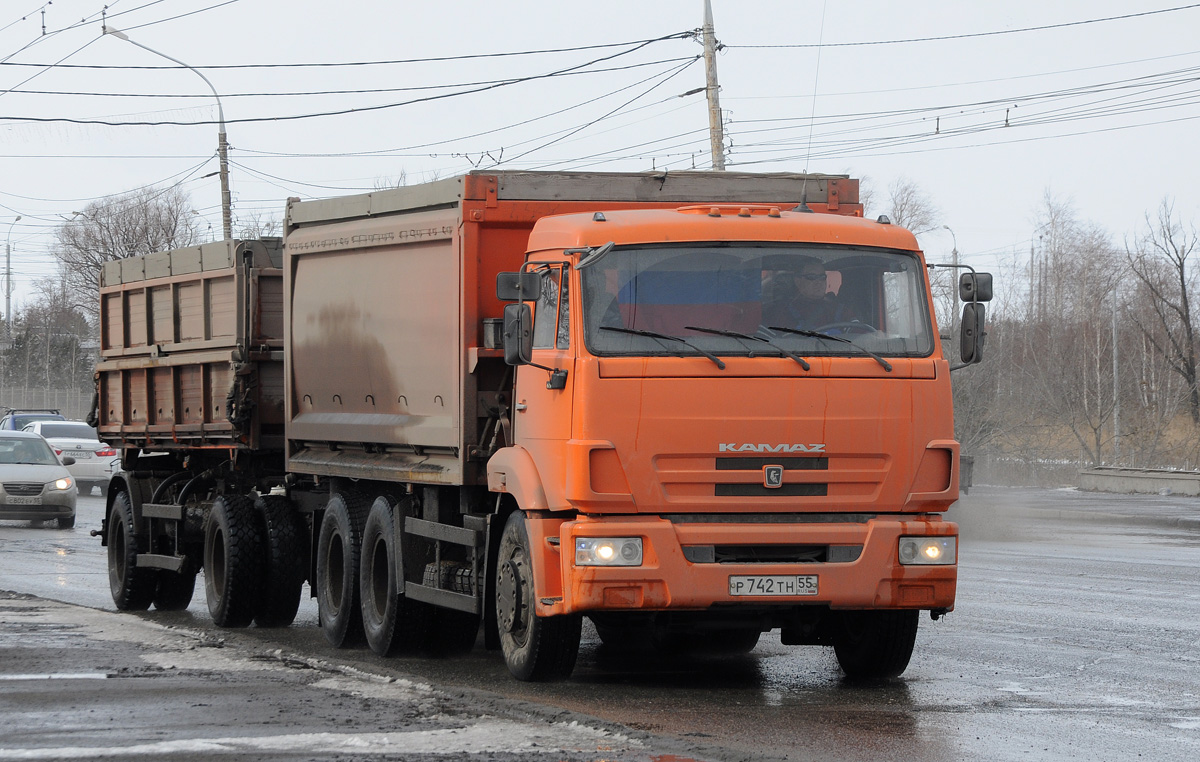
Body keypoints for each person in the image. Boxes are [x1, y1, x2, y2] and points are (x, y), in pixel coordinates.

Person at [762, 259, 840, 329]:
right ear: (797, 281)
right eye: (812, 277)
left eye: (822, 277)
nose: (819, 282)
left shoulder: (839, 311)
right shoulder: (779, 313)